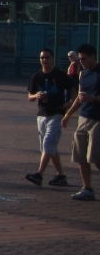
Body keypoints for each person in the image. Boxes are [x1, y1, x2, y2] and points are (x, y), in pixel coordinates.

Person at [25, 49, 72, 186]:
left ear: (52, 59)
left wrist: (70, 103)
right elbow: (30, 96)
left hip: (57, 113)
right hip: (42, 114)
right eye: (42, 58)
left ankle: (39, 174)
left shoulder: (60, 75)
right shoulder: (36, 76)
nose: (44, 60)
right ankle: (61, 176)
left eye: (47, 57)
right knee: (50, 147)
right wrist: (36, 95)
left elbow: (73, 91)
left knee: (48, 144)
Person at [61, 43, 100, 201]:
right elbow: (79, 96)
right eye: (80, 59)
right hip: (84, 117)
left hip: (97, 119)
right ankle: (87, 188)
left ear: (93, 56)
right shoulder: (83, 74)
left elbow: (89, 97)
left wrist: (94, 99)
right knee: (80, 155)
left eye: (84, 59)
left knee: (95, 156)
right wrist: (68, 114)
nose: (81, 62)